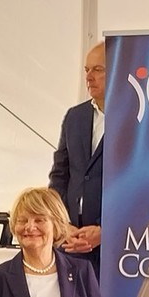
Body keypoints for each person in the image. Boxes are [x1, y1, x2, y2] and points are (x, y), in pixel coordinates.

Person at [49, 40, 106, 277]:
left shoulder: (136, 119)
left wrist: (105, 231)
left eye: (98, 70)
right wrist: (62, 223)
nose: (89, 77)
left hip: (115, 247)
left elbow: (141, 188)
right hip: (71, 241)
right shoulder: (75, 116)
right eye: (86, 70)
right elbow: (59, 175)